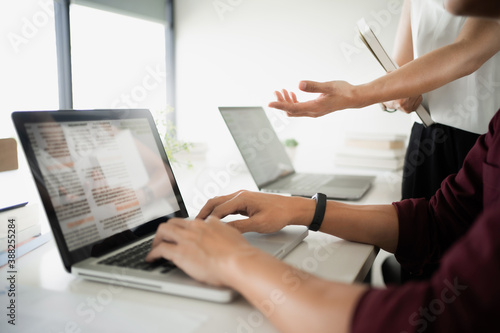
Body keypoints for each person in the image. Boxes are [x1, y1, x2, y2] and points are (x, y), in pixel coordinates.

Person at [145, 1, 500, 332]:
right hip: (429, 136)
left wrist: (233, 261)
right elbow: (437, 223)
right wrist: (301, 208)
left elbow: (440, 314)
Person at [270, 0, 500, 282]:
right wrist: (395, 96)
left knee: (470, 273)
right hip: (425, 139)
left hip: (478, 141)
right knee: (421, 260)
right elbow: (398, 71)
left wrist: (355, 96)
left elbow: (467, 52)